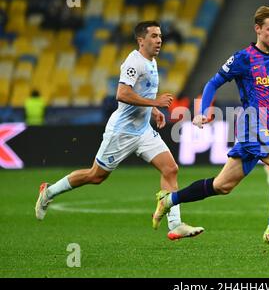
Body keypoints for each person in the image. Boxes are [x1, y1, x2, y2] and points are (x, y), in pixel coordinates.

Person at [151, 6, 269, 248]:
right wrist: (203, 112)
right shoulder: (243, 58)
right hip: (251, 126)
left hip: (266, 125)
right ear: (257, 29)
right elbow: (213, 83)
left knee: (222, 186)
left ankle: (169, 199)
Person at [35, 21, 204, 240]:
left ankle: (175, 224)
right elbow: (122, 94)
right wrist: (154, 102)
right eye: (153, 36)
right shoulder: (134, 63)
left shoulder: (152, 61)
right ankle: (48, 192)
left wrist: (153, 111)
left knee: (170, 169)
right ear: (141, 40)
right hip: (122, 133)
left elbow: (140, 93)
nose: (159, 40)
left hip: (143, 131)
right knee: (95, 176)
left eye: (160, 36)